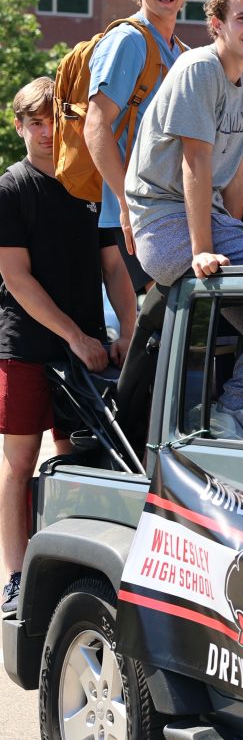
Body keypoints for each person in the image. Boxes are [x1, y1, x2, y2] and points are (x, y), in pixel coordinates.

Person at [125, 0, 243, 443]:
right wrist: (203, 248)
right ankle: (238, 402)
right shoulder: (199, 68)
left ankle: (236, 409)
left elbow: (238, 175)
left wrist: (240, 238)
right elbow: (195, 165)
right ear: (216, 24)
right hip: (167, 224)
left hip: (214, 223)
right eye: (242, 17)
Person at [0, 78, 122, 614]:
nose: (48, 132)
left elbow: (114, 267)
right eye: (36, 122)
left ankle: (66, 570)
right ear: (19, 126)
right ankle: (17, 576)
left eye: (56, 120)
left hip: (89, 347)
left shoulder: (88, 183)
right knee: (21, 461)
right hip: (27, 345)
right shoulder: (10, 188)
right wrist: (75, 336)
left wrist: (130, 335)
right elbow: (16, 278)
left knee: (79, 460)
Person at [85, 0, 200, 295]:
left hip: (169, 207)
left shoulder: (181, 52)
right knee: (164, 315)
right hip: (136, 211)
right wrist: (126, 202)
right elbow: (95, 124)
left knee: (171, 320)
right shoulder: (128, 40)